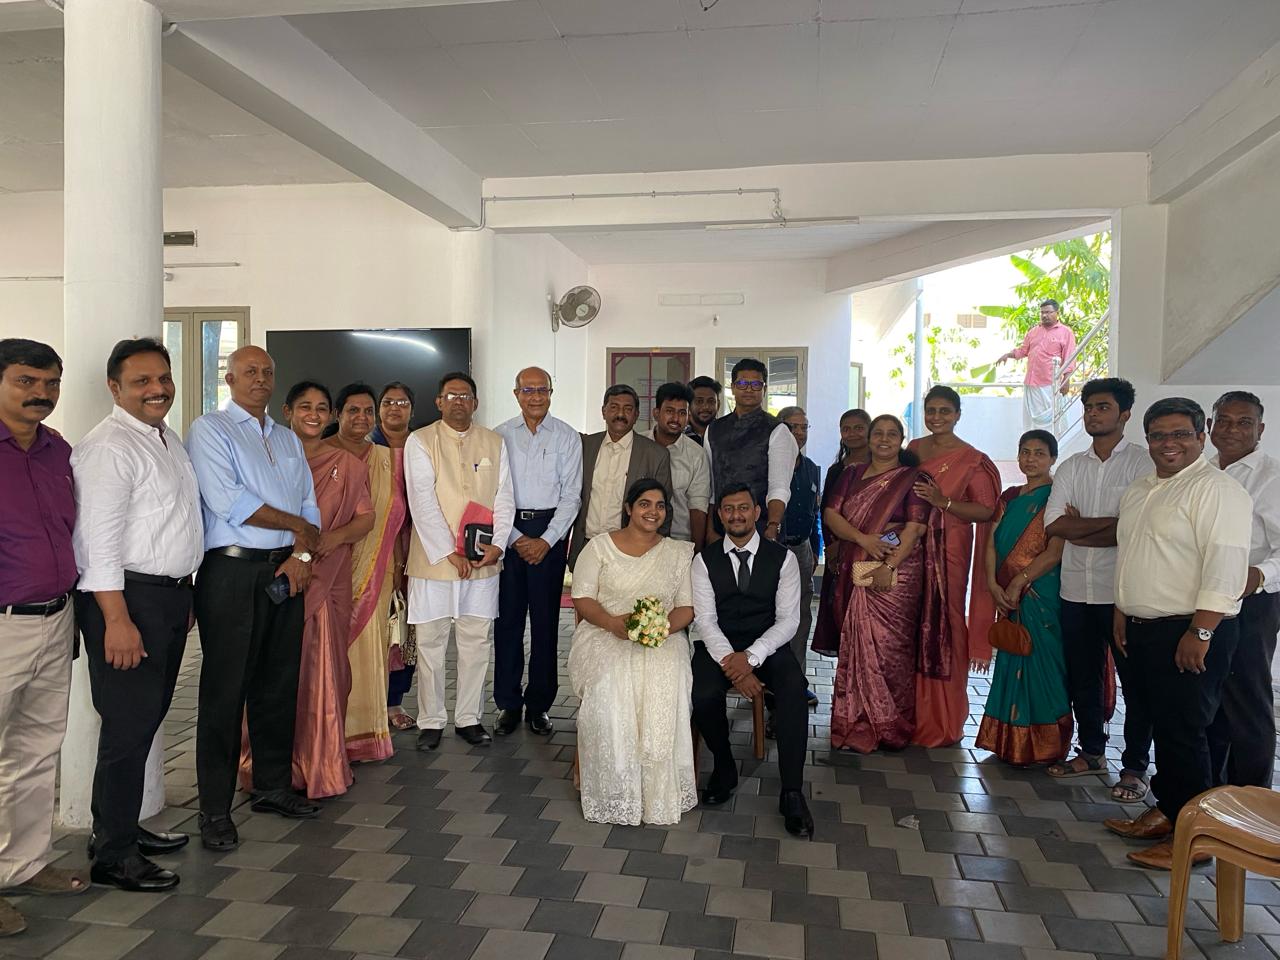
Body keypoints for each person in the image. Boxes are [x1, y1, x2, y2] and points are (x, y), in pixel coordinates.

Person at [71, 338, 202, 892]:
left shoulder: (164, 437)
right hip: (126, 601)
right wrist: (117, 620)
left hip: (164, 597)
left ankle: (117, 828)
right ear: (115, 387)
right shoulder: (108, 447)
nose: (158, 389)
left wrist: (183, 595)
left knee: (144, 720)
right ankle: (113, 856)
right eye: (142, 381)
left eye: (163, 378)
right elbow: (96, 543)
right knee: (127, 726)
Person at [1103, 397, 1251, 870]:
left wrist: (1201, 632)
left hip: (1189, 630)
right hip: (1142, 629)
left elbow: (1226, 567)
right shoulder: (1142, 488)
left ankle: (1197, 840)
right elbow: (1132, 554)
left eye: (1181, 434)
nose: (1169, 443)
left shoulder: (1218, 491)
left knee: (1185, 733)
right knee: (1162, 725)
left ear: (1201, 437)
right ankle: (1169, 811)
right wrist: (1123, 609)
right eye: (1159, 435)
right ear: (1147, 440)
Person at [187, 346, 323, 851]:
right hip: (232, 572)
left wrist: (302, 555)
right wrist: (298, 526)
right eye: (249, 371)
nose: (260, 378)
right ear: (228, 378)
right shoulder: (211, 430)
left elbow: (309, 503)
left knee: (278, 684)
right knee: (225, 693)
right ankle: (214, 811)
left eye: (267, 371)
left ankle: (271, 787)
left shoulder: (286, 438)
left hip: (287, 570)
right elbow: (230, 502)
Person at [238, 382, 373, 799]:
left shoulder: (346, 463)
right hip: (280, 571)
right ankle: (269, 763)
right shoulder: (272, 457)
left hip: (329, 575)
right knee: (274, 668)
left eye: (321, 408)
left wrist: (332, 539)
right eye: (304, 407)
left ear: (330, 415)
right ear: (288, 412)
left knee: (326, 666)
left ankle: (320, 763)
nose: (313, 415)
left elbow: (365, 518)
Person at [0, 339, 85, 933]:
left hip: (56, 619)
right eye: (26, 381)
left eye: (51, 383)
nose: (42, 394)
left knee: (35, 750)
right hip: (3, 623)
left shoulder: (58, 451)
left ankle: (22, 864)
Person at [1043, 378, 1152, 800]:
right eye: (1088, 406)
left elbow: (1137, 528)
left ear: (1125, 414)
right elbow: (1055, 525)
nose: (1092, 413)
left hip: (1123, 593)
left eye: (1102, 407)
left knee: (1136, 683)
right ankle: (1091, 752)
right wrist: (1112, 525)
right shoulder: (1072, 466)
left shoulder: (1142, 464)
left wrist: (1082, 526)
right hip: (1075, 590)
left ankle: (1135, 767)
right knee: (1083, 677)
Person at [569, 478, 697, 825]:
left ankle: (655, 788)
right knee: (612, 680)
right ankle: (615, 786)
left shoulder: (677, 553)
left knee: (666, 671)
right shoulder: (599, 547)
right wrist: (612, 623)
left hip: (662, 636)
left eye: (660, 506)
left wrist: (659, 629)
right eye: (644, 504)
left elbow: (686, 607)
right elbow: (582, 598)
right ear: (628, 508)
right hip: (605, 631)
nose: (653, 512)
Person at [691, 484, 814, 838]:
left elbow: (788, 621)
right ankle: (724, 766)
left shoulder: (783, 559)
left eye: (744, 508)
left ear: (757, 512)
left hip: (768, 646)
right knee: (702, 693)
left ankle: (792, 791)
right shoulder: (703, 561)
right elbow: (705, 621)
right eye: (728, 509)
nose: (736, 515)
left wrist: (751, 657)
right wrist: (733, 664)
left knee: (794, 689)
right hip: (720, 646)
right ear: (719, 515)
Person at [405, 372, 514, 750]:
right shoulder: (420, 441)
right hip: (434, 561)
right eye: (451, 396)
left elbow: (505, 497)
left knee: (476, 641)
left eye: (465, 396)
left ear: (476, 403)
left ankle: (469, 718)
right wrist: (449, 551)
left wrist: (498, 545)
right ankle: (431, 720)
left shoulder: (494, 442)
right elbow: (421, 501)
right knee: (430, 642)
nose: (458, 402)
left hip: (483, 562)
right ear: (439, 402)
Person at [820, 416, 936, 752]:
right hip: (857, 563)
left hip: (898, 572)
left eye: (892, 434)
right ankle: (855, 722)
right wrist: (864, 540)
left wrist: (889, 565)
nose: (884, 439)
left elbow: (915, 528)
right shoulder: (851, 474)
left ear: (901, 439)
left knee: (890, 649)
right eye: (878, 434)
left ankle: (890, 726)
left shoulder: (913, 478)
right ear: (869, 439)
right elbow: (831, 514)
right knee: (855, 642)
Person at [907, 386, 1000, 747]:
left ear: (958, 414)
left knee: (944, 623)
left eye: (945, 411)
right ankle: (908, 711)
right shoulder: (914, 448)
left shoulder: (972, 459)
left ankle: (942, 717)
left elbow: (987, 510)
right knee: (911, 624)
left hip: (950, 548)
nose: (937, 417)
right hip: (912, 546)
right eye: (931, 410)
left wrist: (943, 502)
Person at [494, 367, 582, 737]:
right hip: (509, 531)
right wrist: (515, 538)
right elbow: (493, 493)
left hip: (551, 534)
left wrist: (546, 540)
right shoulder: (499, 436)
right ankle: (508, 704)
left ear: (550, 393)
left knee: (546, 625)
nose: (535, 397)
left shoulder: (567, 436)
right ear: (516, 394)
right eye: (527, 390)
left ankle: (540, 705)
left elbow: (572, 495)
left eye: (541, 390)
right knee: (507, 623)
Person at [976, 430, 1073, 765]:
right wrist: (992, 584)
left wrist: (1020, 581)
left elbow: (1055, 551)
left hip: (1041, 594)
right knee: (1011, 656)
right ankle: (1008, 742)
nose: (1031, 459)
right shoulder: (1010, 496)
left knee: (1044, 663)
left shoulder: (1058, 497)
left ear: (1052, 459)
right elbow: (991, 543)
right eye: (1025, 452)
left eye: (1039, 453)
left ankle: (1045, 746)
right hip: (1006, 594)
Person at [1207, 391, 1280, 788]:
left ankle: (1251, 801)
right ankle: (1210, 798)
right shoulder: (1203, 470)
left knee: (1247, 702)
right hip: (1205, 598)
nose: (1232, 429)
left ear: (1260, 429)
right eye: (1224, 420)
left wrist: (1259, 574)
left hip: (1253, 601)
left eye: (1244, 422)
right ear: (1210, 425)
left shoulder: (1271, 477)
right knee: (1210, 702)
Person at [330, 382, 404, 761]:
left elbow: (398, 517)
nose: (361, 418)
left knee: (370, 647)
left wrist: (401, 564)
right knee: (329, 650)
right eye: (353, 410)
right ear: (337, 414)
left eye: (367, 411)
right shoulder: (322, 454)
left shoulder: (387, 459)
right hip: (329, 568)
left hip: (378, 567)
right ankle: (328, 734)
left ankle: (364, 733)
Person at [570, 385, 672, 571]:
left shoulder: (656, 455)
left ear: (636, 415)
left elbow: (664, 509)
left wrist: (652, 554)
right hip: (586, 545)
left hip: (631, 550)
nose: (620, 414)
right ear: (604, 411)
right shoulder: (585, 446)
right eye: (614, 407)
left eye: (628, 409)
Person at [705, 359, 798, 539]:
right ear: (733, 388)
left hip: (762, 528)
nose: (749, 389)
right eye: (742, 383)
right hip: (722, 527)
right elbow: (710, 489)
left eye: (756, 384)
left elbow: (779, 488)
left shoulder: (777, 430)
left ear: (764, 389)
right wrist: (710, 530)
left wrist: (773, 526)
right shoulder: (714, 429)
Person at [370, 381, 417, 731]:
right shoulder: (367, 446)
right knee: (374, 622)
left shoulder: (422, 445)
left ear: (412, 409)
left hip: (417, 544)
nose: (394, 408)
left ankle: (394, 701)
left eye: (402, 402)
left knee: (407, 623)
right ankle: (369, 700)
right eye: (388, 402)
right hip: (374, 544)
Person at [812, 408, 872, 658]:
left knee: (869, 614)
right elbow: (827, 511)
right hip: (839, 553)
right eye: (846, 429)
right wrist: (833, 547)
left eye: (859, 428)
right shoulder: (836, 470)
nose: (852, 433)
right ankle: (847, 673)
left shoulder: (884, 467)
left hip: (872, 550)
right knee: (841, 611)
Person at [776, 406, 821, 708]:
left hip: (801, 549)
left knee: (801, 618)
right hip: (772, 551)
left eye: (804, 427)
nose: (799, 433)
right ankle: (768, 685)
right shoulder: (768, 465)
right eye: (792, 427)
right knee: (771, 618)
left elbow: (814, 513)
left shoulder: (812, 468)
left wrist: (815, 550)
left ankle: (796, 683)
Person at [994, 299, 1077, 431]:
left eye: (1048, 312)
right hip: (1030, 383)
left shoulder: (1066, 333)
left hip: (1049, 385)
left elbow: (1069, 358)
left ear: (1057, 313)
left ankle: (1050, 443)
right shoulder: (1033, 332)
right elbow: (1023, 351)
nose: (1045, 315)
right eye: (1042, 312)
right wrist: (1008, 355)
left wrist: (1066, 380)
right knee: (1030, 424)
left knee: (1050, 424)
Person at [651, 381, 711, 549]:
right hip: (639, 539)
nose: (676, 419)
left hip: (679, 541)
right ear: (656, 413)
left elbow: (698, 506)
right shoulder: (638, 445)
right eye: (669, 411)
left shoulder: (696, 455)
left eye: (682, 413)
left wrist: (696, 551)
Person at [685, 376, 722, 446]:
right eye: (699, 401)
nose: (705, 407)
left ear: (718, 405)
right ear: (688, 405)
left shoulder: (727, 434)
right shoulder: (679, 436)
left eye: (711, 401)